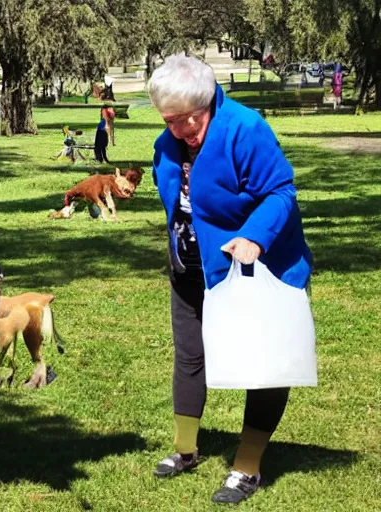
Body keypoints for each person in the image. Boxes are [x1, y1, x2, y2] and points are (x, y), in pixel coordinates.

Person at [148, 54, 312, 505]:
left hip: (258, 271)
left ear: (209, 102)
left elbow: (281, 191)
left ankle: (248, 466)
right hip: (193, 271)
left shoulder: (245, 129)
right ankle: (185, 449)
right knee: (190, 356)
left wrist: (254, 238)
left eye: (187, 120)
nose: (179, 130)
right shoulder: (167, 143)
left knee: (265, 367)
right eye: (170, 121)